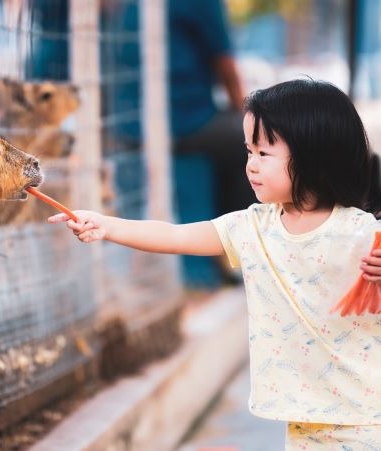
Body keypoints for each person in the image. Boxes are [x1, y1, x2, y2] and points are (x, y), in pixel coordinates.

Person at [48, 79, 381, 448]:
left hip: (366, 417)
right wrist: (107, 226)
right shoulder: (253, 227)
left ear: (315, 156)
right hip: (303, 419)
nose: (250, 166)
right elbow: (176, 237)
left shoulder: (362, 233)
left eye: (264, 154)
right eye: (248, 151)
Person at [168, 0, 256, 288]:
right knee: (255, 151)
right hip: (185, 121)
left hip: (134, 126)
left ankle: (225, 253)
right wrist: (247, 118)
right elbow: (225, 64)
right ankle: (242, 250)